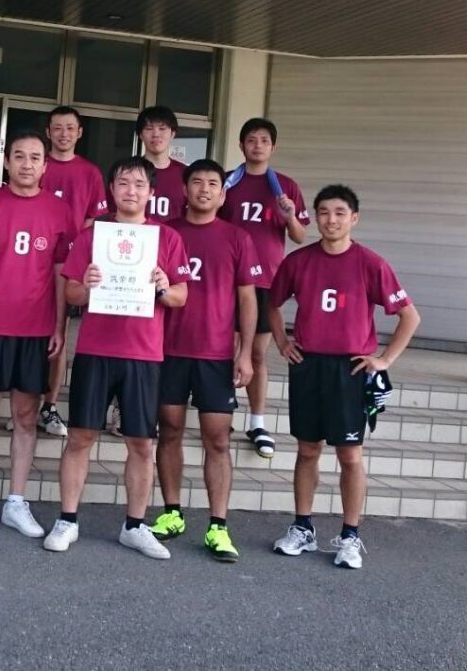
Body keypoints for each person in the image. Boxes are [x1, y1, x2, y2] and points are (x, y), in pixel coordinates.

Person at [44, 156, 189, 558]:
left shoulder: (166, 237)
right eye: (123, 183)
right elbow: (72, 292)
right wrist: (87, 285)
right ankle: (67, 520)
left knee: (141, 443)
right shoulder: (93, 236)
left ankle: (135, 525)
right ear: (111, 189)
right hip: (96, 349)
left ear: (152, 192)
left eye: (139, 184)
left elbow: (181, 295)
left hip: (144, 353)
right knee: (80, 436)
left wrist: (163, 286)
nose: (131, 191)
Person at [269, 184, 419, 569]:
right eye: (323, 212)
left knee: (350, 455)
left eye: (339, 213)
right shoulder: (298, 261)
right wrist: (283, 342)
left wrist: (384, 359)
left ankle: (350, 535)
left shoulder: (370, 263)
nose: (331, 220)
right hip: (309, 365)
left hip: (350, 369)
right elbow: (272, 304)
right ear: (315, 217)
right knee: (307, 450)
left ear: (354, 218)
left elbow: (409, 316)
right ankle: (303, 527)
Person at [0, 130, 75, 540]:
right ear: (6, 161)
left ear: (45, 165)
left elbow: (62, 273)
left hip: (36, 328)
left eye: (35, 157)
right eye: (19, 156)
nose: (26, 164)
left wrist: (59, 325)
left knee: (25, 416)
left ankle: (15, 502)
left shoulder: (59, 211)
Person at [150, 158, 260, 562]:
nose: (204, 189)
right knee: (170, 430)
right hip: (168, 349)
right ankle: (172, 513)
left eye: (213, 183)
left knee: (218, 438)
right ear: (184, 189)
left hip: (215, 354)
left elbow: (248, 299)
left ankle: (218, 526)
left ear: (223, 193)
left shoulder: (237, 237)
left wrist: (245, 353)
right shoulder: (165, 233)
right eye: (197, 182)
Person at [219, 118, 310, 458]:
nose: (257, 145)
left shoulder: (285, 186)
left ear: (273, 147)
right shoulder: (227, 182)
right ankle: (222, 415)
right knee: (224, 350)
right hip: (227, 279)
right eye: (251, 140)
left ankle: (257, 421)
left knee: (257, 353)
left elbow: (300, 236)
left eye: (264, 140)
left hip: (266, 281)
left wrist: (289, 216)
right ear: (241, 145)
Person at [35, 105, 107, 437]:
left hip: (69, 264)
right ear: (48, 132)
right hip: (32, 260)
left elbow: (95, 219)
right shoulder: (37, 165)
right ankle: (26, 404)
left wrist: (78, 249)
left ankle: (49, 406)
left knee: (58, 334)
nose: (63, 134)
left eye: (70, 128)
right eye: (57, 128)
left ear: (79, 133)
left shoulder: (90, 172)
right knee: (30, 334)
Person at [136, 105, 186, 223]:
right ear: (140, 135)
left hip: (173, 235)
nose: (156, 134)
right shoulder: (128, 171)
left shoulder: (185, 173)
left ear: (172, 134)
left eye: (162, 128)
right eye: (149, 128)